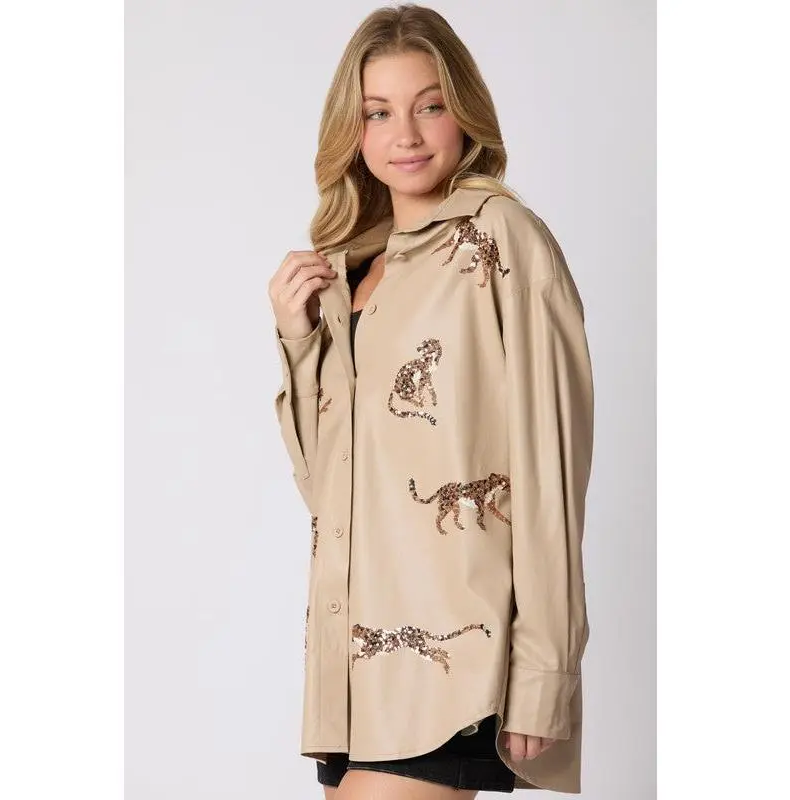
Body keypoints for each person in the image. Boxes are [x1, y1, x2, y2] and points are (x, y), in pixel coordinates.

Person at [268, 4, 594, 798]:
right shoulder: (351, 272)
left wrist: (544, 670)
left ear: (465, 112)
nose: (406, 135)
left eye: (430, 105)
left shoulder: (502, 238)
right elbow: (328, 490)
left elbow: (550, 465)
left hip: (454, 661)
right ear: (352, 130)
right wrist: (300, 340)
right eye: (378, 112)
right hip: (352, 666)